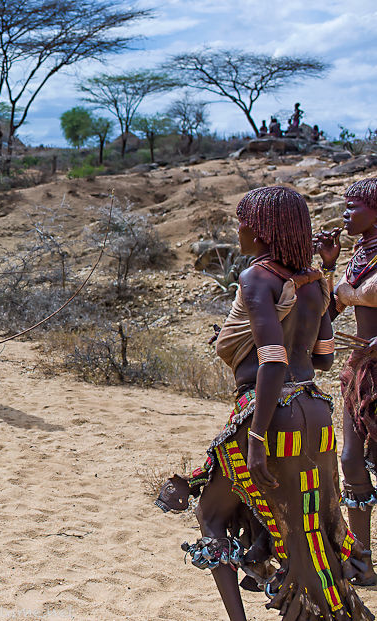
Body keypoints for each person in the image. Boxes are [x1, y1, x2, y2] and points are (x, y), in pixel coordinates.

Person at [157, 186, 372, 621]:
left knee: (210, 515)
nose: (238, 231)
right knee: (309, 529)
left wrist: (256, 438)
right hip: (314, 412)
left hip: (270, 412)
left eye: (243, 222)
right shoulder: (313, 285)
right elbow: (324, 358)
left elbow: (271, 362)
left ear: (261, 230)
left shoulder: (258, 278)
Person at [315, 178, 377, 586]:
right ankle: (362, 560)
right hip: (361, 372)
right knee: (351, 460)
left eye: (353, 207)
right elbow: (327, 315)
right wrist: (329, 265)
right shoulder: (355, 258)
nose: (345, 215)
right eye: (344, 207)